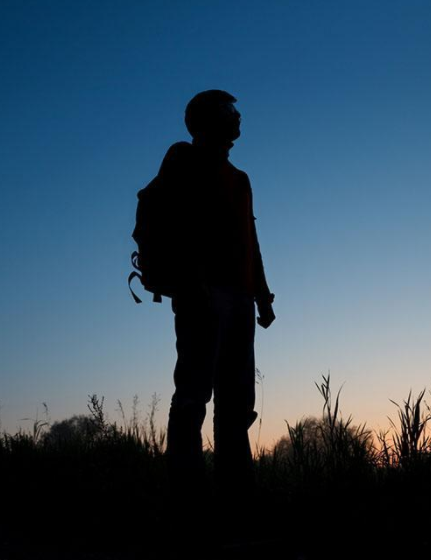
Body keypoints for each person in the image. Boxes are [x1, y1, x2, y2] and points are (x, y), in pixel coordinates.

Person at [161, 90, 276, 525]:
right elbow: (177, 226)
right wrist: (196, 284)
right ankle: (187, 506)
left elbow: (251, 242)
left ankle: (237, 503)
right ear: (208, 120)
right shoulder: (182, 159)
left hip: (240, 299)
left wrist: (262, 296)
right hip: (202, 296)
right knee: (192, 397)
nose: (239, 116)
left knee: (236, 403)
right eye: (230, 111)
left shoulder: (241, 178)